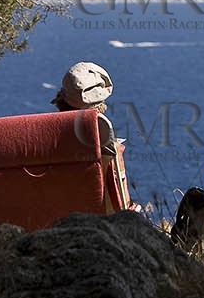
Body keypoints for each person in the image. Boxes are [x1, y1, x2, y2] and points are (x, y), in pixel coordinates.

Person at [52, 61, 142, 213]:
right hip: (102, 222)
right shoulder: (109, 149)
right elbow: (120, 206)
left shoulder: (42, 141)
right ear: (101, 103)